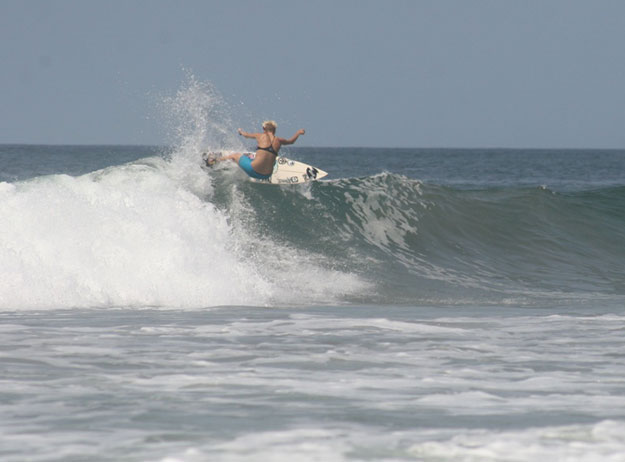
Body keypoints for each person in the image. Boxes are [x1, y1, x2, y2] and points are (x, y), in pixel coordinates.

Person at [206, 121, 305, 180]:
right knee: (272, 159)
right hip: (266, 175)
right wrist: (298, 133)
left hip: (253, 171)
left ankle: (214, 160)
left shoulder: (260, 136)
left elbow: (246, 135)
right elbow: (291, 141)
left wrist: (240, 131)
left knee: (235, 155)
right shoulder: (279, 140)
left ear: (264, 129)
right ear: (274, 130)